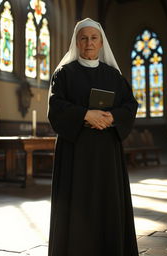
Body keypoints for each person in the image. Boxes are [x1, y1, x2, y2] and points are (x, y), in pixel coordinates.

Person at [47, 18, 139, 256]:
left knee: (107, 204)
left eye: (93, 38)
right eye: (84, 38)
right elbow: (55, 107)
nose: (89, 43)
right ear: (77, 43)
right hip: (74, 152)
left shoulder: (114, 76)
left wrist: (112, 117)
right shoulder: (64, 74)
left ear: (101, 43)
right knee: (75, 206)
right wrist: (85, 114)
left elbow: (130, 105)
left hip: (107, 153)